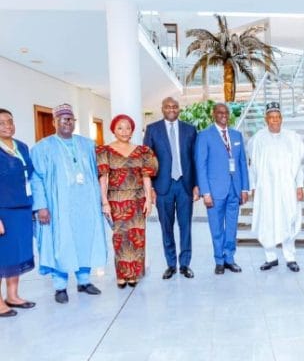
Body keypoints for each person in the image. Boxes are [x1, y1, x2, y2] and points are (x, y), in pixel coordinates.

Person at [30, 104, 107, 304]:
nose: (67, 122)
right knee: (61, 242)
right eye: (63, 119)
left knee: (84, 239)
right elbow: (36, 178)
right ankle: (60, 286)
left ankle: (84, 281)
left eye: (70, 118)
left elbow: (100, 172)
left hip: (85, 204)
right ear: (54, 121)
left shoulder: (87, 144)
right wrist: (41, 206)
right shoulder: (42, 147)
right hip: (59, 206)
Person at [97, 115, 157, 288]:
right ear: (113, 130)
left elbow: (146, 177)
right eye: (120, 128)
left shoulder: (142, 151)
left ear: (132, 130)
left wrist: (148, 200)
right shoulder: (105, 151)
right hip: (116, 200)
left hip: (138, 200)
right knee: (120, 238)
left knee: (137, 237)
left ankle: (134, 275)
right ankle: (121, 275)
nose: (124, 131)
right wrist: (104, 202)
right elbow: (103, 178)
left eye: (128, 128)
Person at [144, 97, 199, 280]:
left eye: (175, 106)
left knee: (186, 226)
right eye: (168, 106)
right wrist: (150, 188)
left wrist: (197, 185)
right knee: (166, 227)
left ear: (179, 109)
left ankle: (185, 264)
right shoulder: (153, 129)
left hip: (185, 185)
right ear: (162, 108)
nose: (171, 109)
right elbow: (147, 161)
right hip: (163, 186)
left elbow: (195, 159)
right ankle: (170, 264)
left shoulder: (190, 130)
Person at [249, 102, 304, 272]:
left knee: (289, 218)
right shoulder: (258, 138)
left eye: (277, 117)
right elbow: (253, 165)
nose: (274, 120)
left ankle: (290, 257)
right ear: (266, 119)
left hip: (287, 186)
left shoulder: (292, 137)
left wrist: (299, 185)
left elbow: (298, 164)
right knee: (267, 220)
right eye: (271, 117)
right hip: (266, 188)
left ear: (281, 118)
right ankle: (270, 257)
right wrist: (253, 187)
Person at [196, 103, 249, 275]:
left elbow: (242, 163)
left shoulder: (236, 135)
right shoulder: (204, 136)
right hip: (214, 191)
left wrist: (245, 188)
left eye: (226, 112)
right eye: (220, 112)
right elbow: (201, 165)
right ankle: (219, 260)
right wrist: (205, 192)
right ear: (214, 114)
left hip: (234, 189)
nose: (223, 115)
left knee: (232, 226)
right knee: (216, 227)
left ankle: (229, 258)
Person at [0, 109, 36, 317]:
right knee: (2, 256)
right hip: (3, 210)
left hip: (22, 208)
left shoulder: (21, 146)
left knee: (17, 254)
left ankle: (12, 295)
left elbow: (29, 176)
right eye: (2, 122)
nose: (7, 125)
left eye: (10, 121)